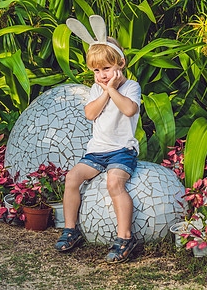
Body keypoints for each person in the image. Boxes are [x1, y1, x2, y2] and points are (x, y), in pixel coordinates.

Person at [55, 16, 141, 264]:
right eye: (96, 70)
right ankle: (71, 229)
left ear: (121, 64)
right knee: (72, 178)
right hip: (97, 151)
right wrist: (104, 91)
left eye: (106, 68)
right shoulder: (96, 89)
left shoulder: (130, 86)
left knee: (114, 183)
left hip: (122, 150)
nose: (101, 75)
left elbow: (129, 110)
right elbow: (90, 113)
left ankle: (125, 237)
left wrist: (112, 89)